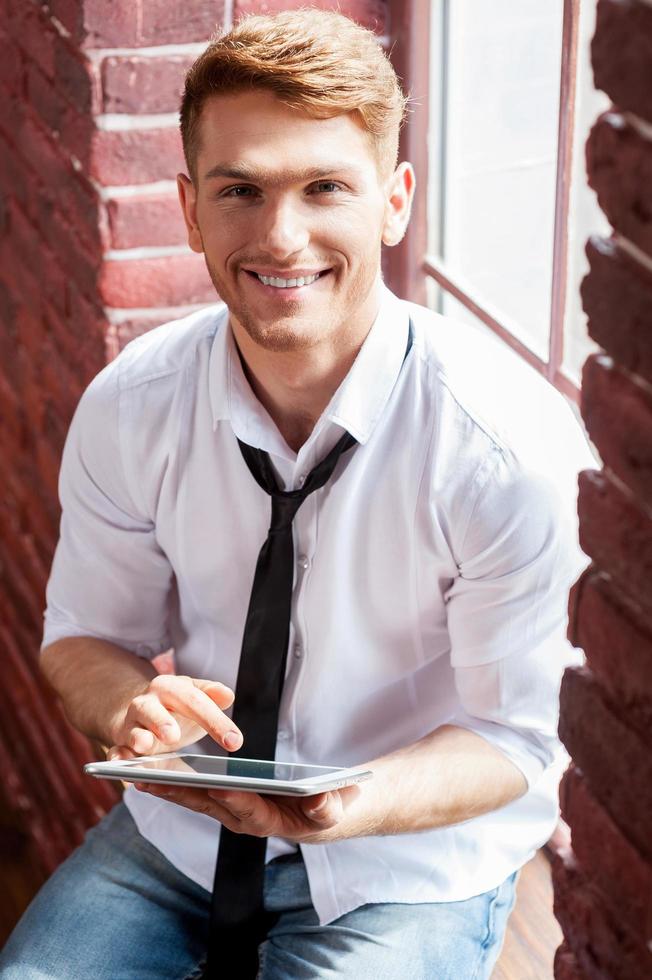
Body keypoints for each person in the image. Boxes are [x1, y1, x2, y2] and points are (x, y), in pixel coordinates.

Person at [0, 9, 595, 980]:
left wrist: (346, 802)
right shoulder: (130, 407)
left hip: (403, 857)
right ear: (190, 209)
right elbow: (81, 637)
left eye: (324, 186)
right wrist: (133, 711)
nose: (281, 236)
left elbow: (513, 736)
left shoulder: (506, 451)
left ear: (394, 200)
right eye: (241, 189)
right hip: (179, 839)